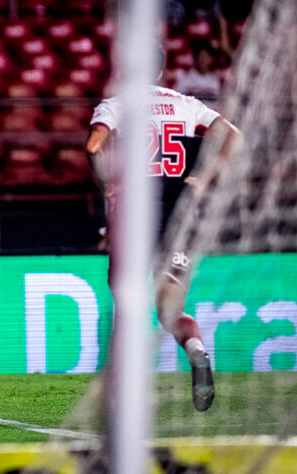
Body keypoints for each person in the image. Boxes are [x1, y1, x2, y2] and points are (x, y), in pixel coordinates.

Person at [85, 43, 240, 412]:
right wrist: (204, 178)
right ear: (160, 70)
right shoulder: (186, 105)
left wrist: (107, 181)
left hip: (136, 215)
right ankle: (196, 349)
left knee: (126, 304)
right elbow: (233, 136)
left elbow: (94, 146)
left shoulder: (116, 106)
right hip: (178, 217)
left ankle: (122, 394)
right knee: (171, 309)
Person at [174, 41, 221, 109]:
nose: (203, 60)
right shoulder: (185, 78)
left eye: (206, 57)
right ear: (195, 58)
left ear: (211, 59)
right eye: (200, 56)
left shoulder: (216, 80)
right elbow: (177, 102)